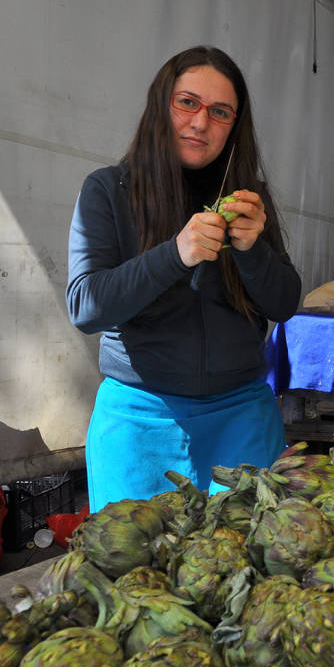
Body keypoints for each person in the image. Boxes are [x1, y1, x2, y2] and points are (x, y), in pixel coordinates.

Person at [66, 46, 301, 512]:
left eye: (220, 112)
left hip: (243, 421)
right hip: (138, 422)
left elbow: (284, 303)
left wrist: (252, 251)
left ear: (236, 124)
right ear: (161, 105)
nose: (200, 123)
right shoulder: (108, 190)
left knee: (246, 575)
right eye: (187, 103)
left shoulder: (249, 200)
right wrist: (175, 254)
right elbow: (86, 306)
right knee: (135, 580)